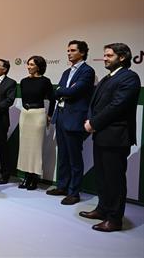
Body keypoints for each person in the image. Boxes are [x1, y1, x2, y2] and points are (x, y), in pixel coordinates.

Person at [80, 43, 141, 232]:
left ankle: (114, 220)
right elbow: (96, 103)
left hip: (116, 136)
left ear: (122, 57)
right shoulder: (108, 77)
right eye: (105, 55)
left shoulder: (130, 77)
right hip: (102, 135)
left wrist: (93, 123)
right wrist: (90, 119)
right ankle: (102, 209)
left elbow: (117, 106)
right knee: (102, 177)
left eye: (109, 55)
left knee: (114, 180)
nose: (104, 58)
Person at [46, 40, 95, 205]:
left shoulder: (88, 71)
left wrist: (62, 92)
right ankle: (62, 186)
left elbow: (75, 91)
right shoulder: (67, 71)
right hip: (61, 117)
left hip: (75, 119)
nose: (69, 53)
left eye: (72, 50)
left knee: (75, 158)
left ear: (82, 53)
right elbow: (58, 91)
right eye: (68, 50)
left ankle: (74, 193)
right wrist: (62, 92)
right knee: (63, 155)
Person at [17, 55, 55, 190]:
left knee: (35, 148)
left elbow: (53, 99)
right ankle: (26, 176)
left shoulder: (45, 81)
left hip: (38, 114)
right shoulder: (23, 81)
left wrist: (50, 115)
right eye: (28, 64)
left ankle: (34, 178)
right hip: (25, 115)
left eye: (32, 64)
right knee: (25, 147)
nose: (28, 67)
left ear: (39, 66)